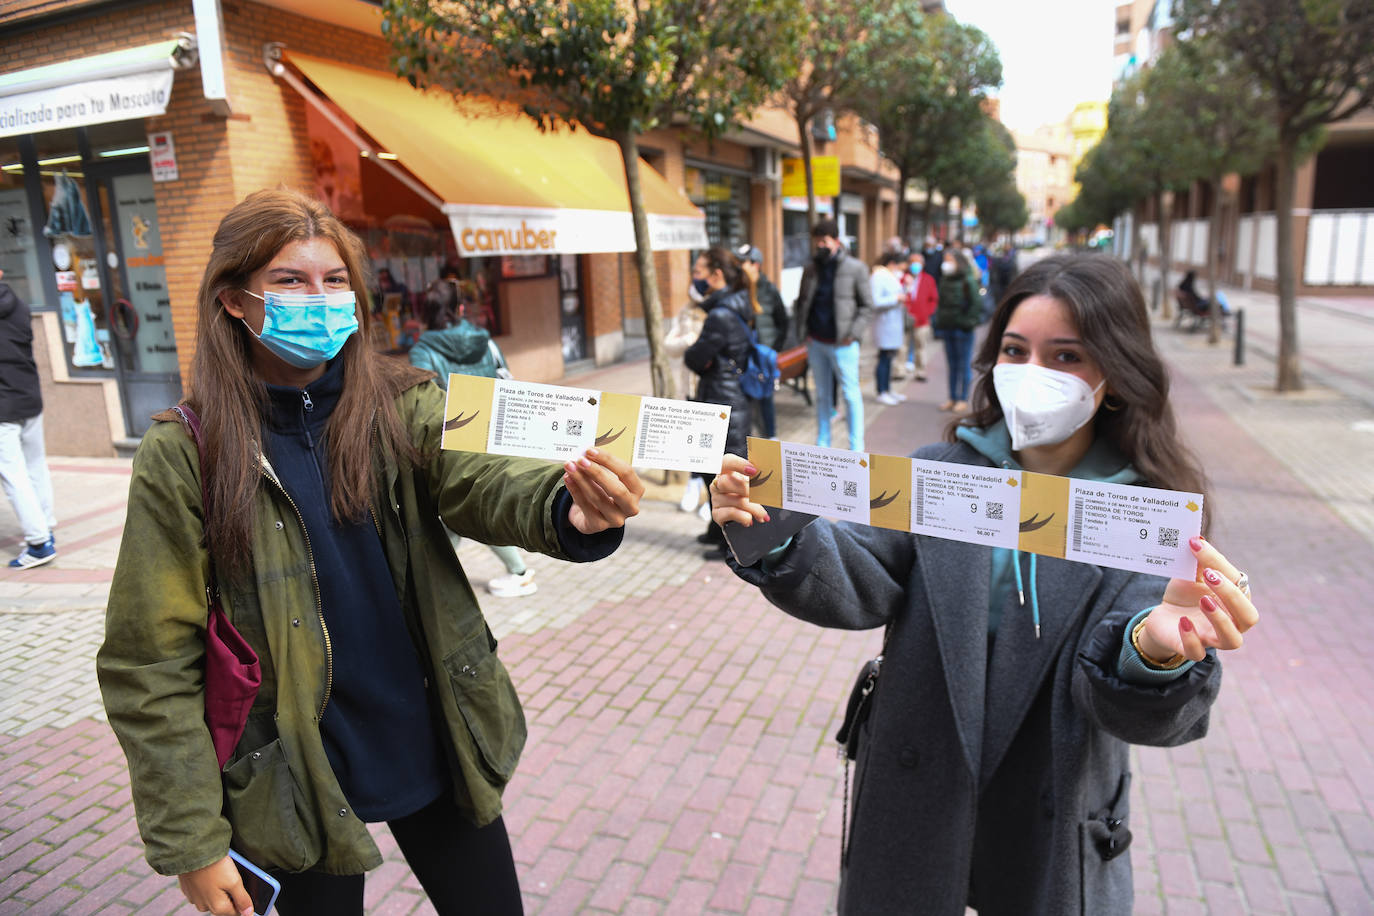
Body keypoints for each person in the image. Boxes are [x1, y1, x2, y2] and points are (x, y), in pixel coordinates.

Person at [96, 189, 643, 916]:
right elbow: (150, 661)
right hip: (292, 767)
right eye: (289, 281)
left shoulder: (404, 400)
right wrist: (190, 838)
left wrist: (568, 508)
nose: (317, 298)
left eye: (333, 280)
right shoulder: (184, 453)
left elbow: (485, 477)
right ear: (233, 301)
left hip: (432, 730)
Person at [710, 253, 1259, 916]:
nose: (1031, 375)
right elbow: (862, 576)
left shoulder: (1146, 514)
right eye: (1014, 350)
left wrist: (1153, 651)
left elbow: (1137, 699)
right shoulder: (943, 472)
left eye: (1065, 357)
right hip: (919, 786)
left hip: (1052, 809)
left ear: (1113, 374)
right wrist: (774, 529)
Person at [409, 279, 539, 598]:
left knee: (461, 511)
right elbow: (506, 381)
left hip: (451, 442)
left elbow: (422, 402)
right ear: (462, 309)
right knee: (464, 510)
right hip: (490, 434)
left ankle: (430, 581)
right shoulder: (487, 343)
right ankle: (513, 572)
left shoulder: (422, 351)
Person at [684, 246, 756, 559]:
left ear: (717, 275)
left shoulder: (721, 314)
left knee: (721, 474)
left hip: (721, 401)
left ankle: (732, 544)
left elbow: (694, 357)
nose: (695, 278)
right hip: (731, 396)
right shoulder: (739, 304)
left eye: (699, 272)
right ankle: (718, 531)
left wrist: (697, 355)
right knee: (713, 469)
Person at [794, 219, 873, 451]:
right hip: (816, 342)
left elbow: (867, 306)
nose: (820, 245)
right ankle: (823, 444)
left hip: (843, 344)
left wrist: (854, 333)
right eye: (817, 241)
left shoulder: (855, 268)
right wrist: (804, 333)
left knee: (850, 394)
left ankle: (856, 447)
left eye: (824, 241)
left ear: (836, 241)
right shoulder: (811, 268)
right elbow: (802, 302)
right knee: (822, 395)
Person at [0, 269, 57, 569]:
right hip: (29, 397)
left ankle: (38, 544)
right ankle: (45, 525)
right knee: (35, 465)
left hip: (4, 407)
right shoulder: (19, 305)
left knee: (12, 474)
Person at [735, 243, 788, 438]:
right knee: (745, 402)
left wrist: (773, 350)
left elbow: (783, 321)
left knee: (765, 399)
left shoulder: (768, 290)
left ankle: (770, 437)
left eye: (743, 262)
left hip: (763, 354)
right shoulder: (737, 291)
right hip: (743, 357)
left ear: (756, 265)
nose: (739, 266)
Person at [932, 248, 983, 413]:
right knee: (952, 365)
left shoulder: (968, 279)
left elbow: (976, 305)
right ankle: (952, 397)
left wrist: (966, 322)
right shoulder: (945, 279)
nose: (946, 263)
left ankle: (963, 398)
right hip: (948, 328)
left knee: (963, 365)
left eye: (949, 260)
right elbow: (941, 303)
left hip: (963, 330)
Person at [870, 253, 908, 406]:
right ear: (893, 263)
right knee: (884, 359)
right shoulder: (878, 276)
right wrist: (896, 299)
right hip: (884, 324)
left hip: (892, 324)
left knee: (889, 358)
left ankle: (887, 388)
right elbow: (875, 301)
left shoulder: (889, 276)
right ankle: (881, 391)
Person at [902, 252, 938, 382]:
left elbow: (933, 299)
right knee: (902, 347)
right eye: (912, 262)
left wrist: (927, 313)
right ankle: (899, 370)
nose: (915, 265)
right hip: (905, 318)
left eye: (918, 262)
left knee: (920, 346)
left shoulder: (928, 279)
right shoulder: (903, 278)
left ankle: (920, 371)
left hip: (922, 319)